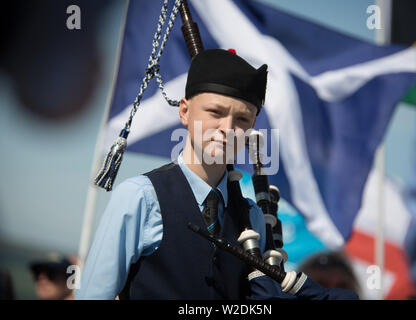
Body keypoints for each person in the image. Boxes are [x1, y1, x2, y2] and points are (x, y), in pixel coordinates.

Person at [75, 49, 358, 300]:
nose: (227, 128)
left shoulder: (253, 217)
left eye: (242, 119)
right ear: (184, 112)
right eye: (215, 112)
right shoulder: (141, 196)